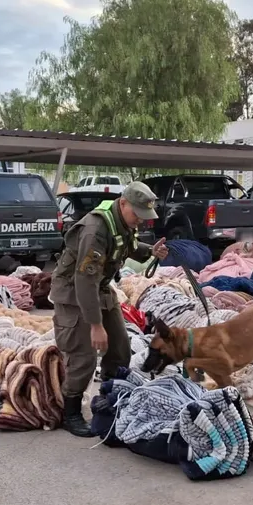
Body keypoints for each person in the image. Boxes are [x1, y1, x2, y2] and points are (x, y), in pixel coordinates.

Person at [49, 181, 169, 437]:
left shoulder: (122, 222)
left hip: (100, 288)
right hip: (74, 291)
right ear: (123, 203)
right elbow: (84, 280)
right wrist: (95, 325)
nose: (140, 220)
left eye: (144, 215)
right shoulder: (95, 230)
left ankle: (108, 398)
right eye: (137, 213)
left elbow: (127, 246)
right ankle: (70, 412)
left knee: (120, 346)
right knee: (84, 354)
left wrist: (152, 251)